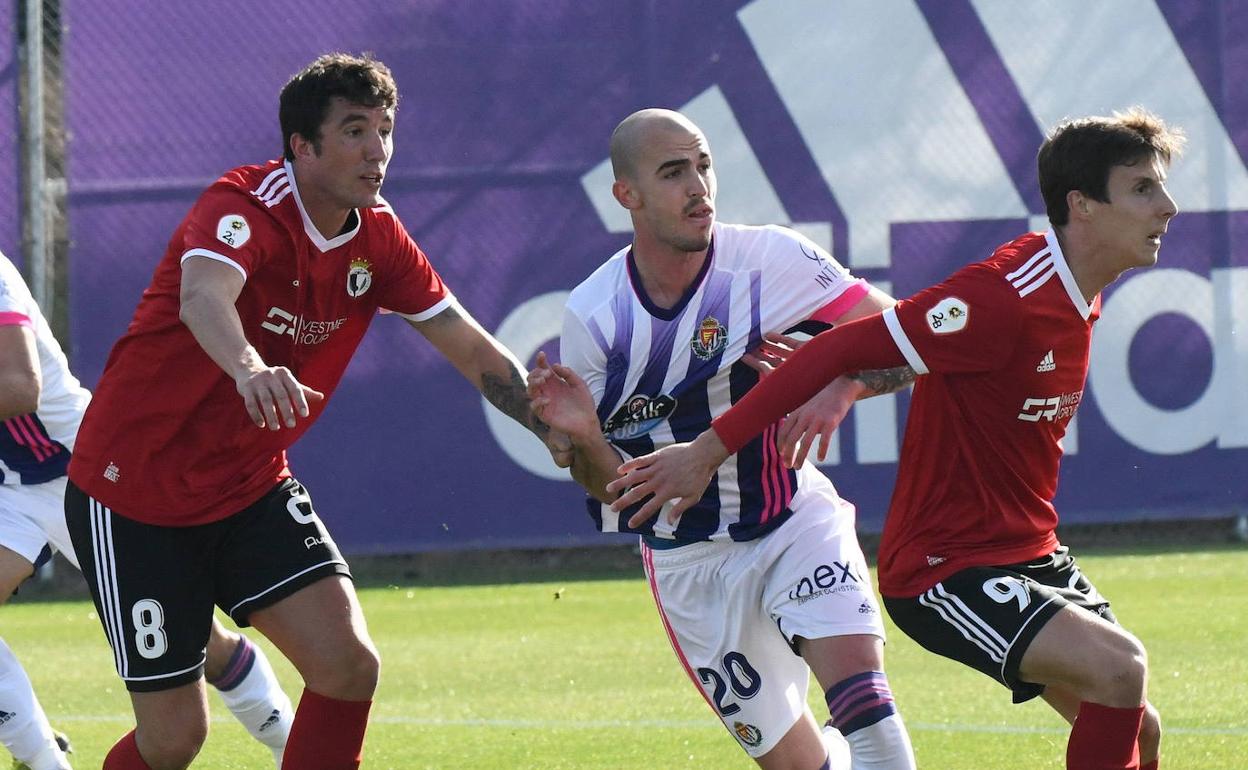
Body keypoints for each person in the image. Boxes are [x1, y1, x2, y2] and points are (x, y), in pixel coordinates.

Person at [607, 107, 1182, 770]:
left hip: (1029, 553)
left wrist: (849, 386)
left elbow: (897, 357)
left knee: (1140, 731)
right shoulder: (1003, 296)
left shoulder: (1074, 290)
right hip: (947, 568)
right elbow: (840, 346)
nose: (1167, 207)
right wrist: (707, 451)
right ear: (1082, 206)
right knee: (1121, 670)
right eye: (1143, 189)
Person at [61, 53, 569, 770]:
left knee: (348, 666)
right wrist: (248, 369)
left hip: (248, 485)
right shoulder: (243, 203)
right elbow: (202, 296)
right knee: (175, 740)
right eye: (356, 130)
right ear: (303, 146)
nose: (378, 150)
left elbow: (470, 347)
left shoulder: (379, 238)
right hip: (135, 494)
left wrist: (553, 430)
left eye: (386, 130)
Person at [528, 108, 916, 770]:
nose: (698, 188)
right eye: (673, 173)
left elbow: (910, 336)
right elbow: (613, 490)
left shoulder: (768, 258)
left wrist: (842, 382)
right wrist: (587, 441)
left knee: (867, 712)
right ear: (628, 194)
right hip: (690, 565)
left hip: (793, 520)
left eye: (704, 167)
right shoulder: (595, 318)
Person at [0, 250, 295, 769]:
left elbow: (21, 387)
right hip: (12, 488)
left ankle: (291, 747)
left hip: (90, 471)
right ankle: (44, 762)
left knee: (197, 639)